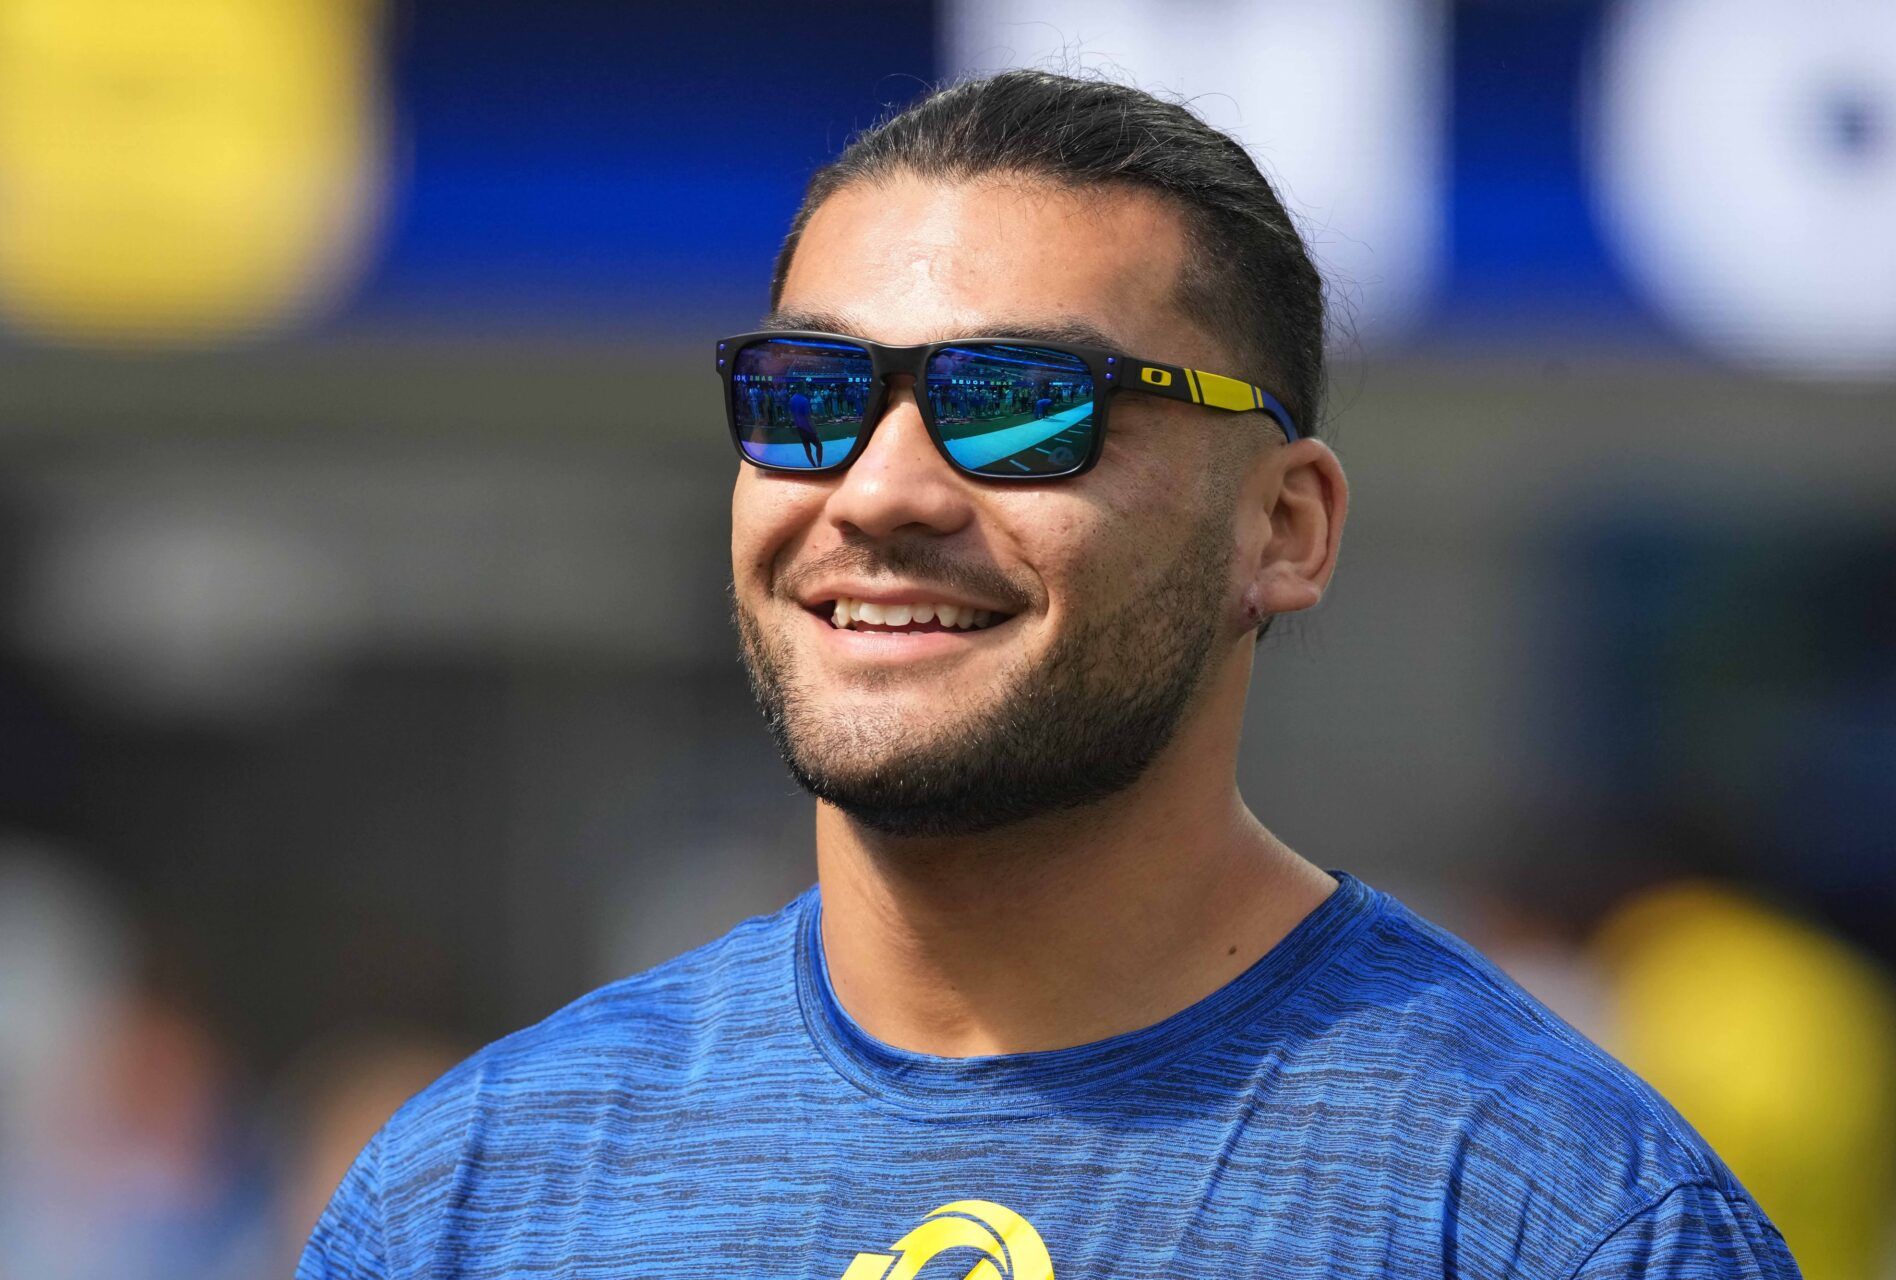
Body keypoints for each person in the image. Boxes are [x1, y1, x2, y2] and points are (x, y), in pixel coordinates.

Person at [298, 70, 1802, 1279]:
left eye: (1020, 409)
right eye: (810, 398)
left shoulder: (1564, 1217)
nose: (880, 492)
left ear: (1283, 528)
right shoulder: (477, 1196)